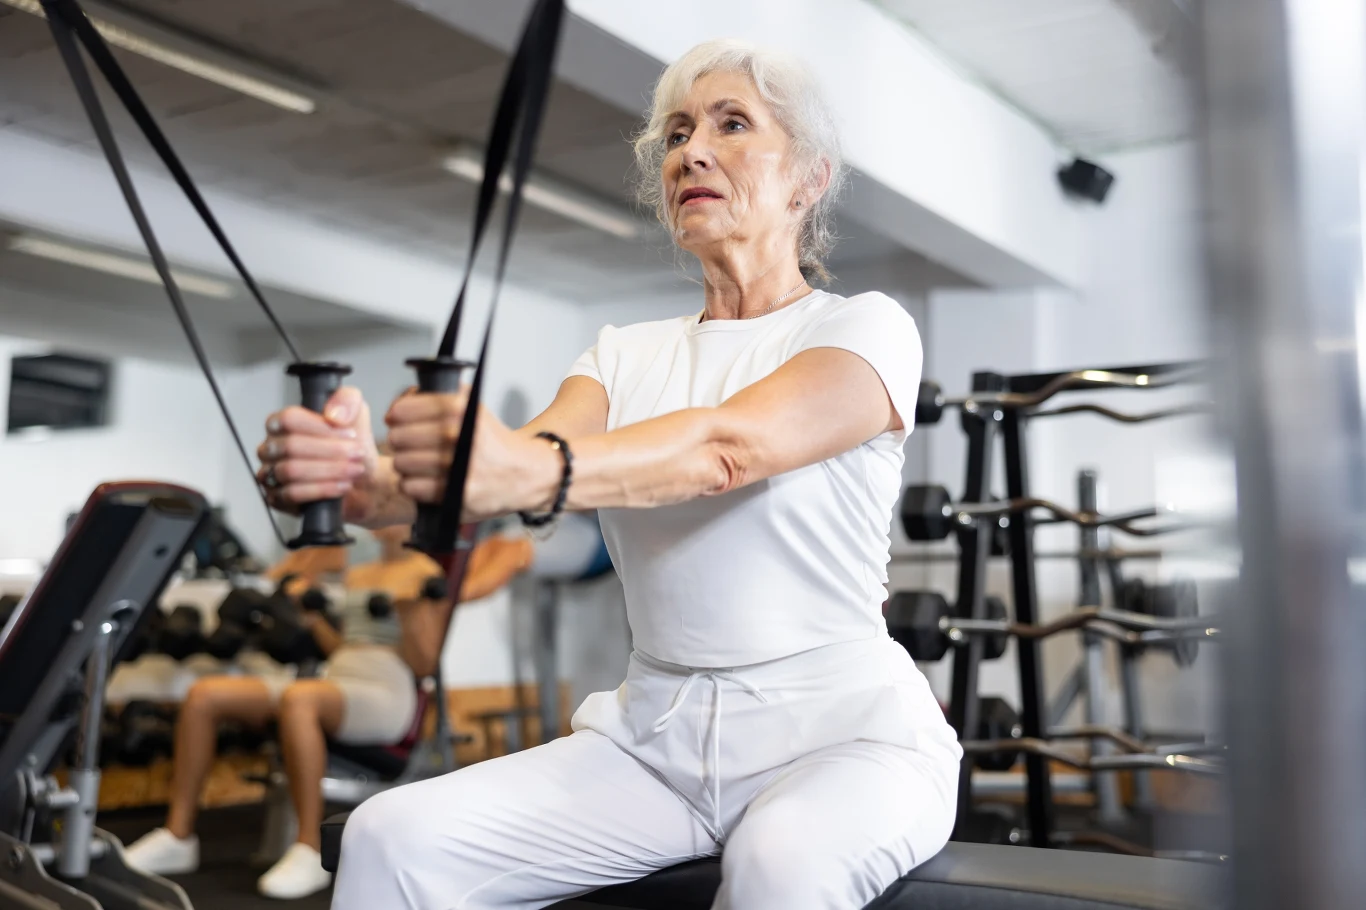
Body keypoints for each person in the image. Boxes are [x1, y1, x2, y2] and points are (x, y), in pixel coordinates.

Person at [257, 38, 961, 910]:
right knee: (389, 838)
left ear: (809, 179)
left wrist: (520, 466)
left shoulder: (861, 328)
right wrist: (369, 487)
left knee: (782, 863)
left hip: (843, 737)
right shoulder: (622, 356)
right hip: (653, 745)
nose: (691, 151)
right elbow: (510, 472)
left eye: (731, 124)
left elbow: (725, 450)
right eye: (675, 134)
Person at [123, 523, 532, 899]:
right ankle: (178, 836)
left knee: (300, 698)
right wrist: (313, 618)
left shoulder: (425, 574)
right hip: (338, 677)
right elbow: (341, 649)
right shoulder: (361, 572)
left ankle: (309, 847)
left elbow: (424, 664)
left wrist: (410, 615)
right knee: (205, 694)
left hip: (386, 692)